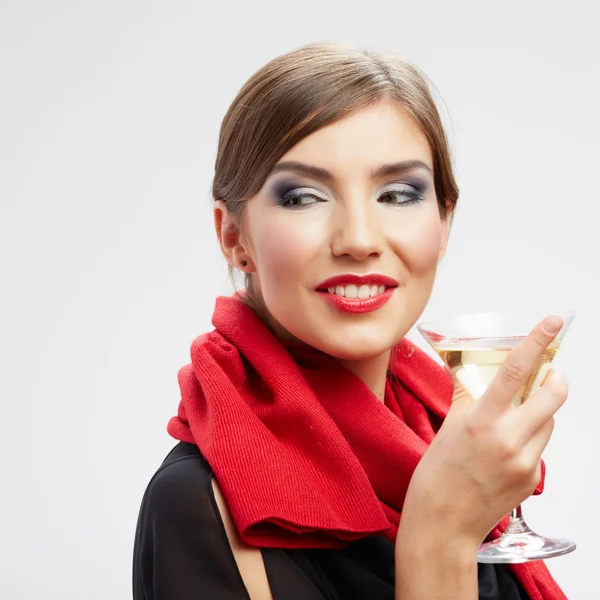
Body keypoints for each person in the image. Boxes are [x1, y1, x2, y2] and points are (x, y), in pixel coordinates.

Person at [132, 41, 570, 599]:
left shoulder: (450, 447)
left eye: (397, 193)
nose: (359, 240)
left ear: (444, 220)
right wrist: (439, 534)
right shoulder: (196, 504)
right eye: (304, 197)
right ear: (233, 236)